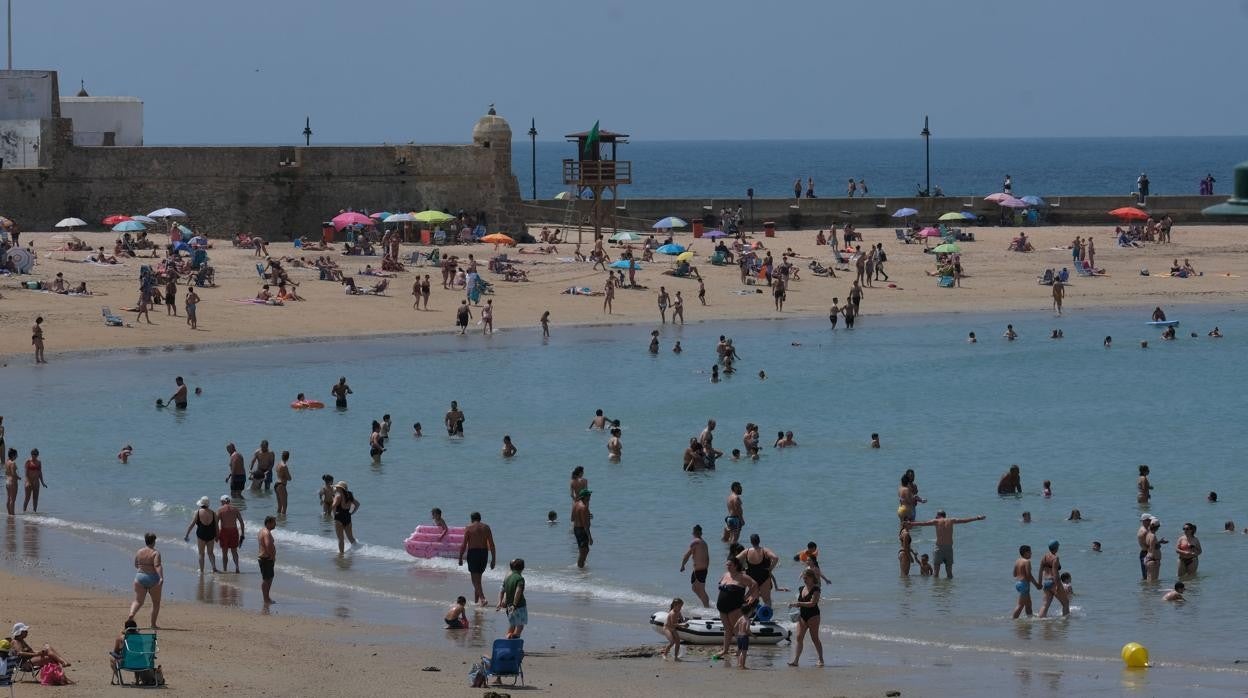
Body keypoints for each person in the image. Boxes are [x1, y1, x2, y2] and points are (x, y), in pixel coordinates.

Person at [905, 510, 987, 578]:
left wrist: (911, 523)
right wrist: (977, 518)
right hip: (949, 549)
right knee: (949, 573)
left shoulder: (936, 521)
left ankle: (937, 593)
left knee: (936, 574)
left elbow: (923, 523)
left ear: (938, 516)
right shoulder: (951, 520)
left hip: (939, 548)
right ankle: (949, 594)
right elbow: (964, 521)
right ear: (945, 515)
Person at [715, 558, 758, 660]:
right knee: (727, 629)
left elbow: (754, 584)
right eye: (727, 565)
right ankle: (725, 650)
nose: (727, 566)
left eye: (729, 565)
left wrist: (747, 596)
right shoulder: (725, 575)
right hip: (722, 606)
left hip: (734, 607)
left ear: (735, 566)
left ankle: (740, 650)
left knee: (736, 629)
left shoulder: (742, 576)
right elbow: (720, 585)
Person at [787, 568, 824, 667]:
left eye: (806, 578)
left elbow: (813, 603)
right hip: (802, 615)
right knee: (799, 637)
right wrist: (794, 605)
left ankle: (821, 659)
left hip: (813, 616)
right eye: (803, 578)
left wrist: (798, 603)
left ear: (812, 578)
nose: (804, 580)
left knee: (814, 638)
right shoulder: (801, 588)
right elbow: (800, 602)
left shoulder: (816, 589)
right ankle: (796, 661)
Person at [459, 512, 496, 605]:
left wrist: (460, 557)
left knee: (474, 579)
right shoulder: (486, 527)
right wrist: (493, 559)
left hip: (473, 553)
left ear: (471, 519)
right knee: (478, 579)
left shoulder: (469, 528)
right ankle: (476, 602)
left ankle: (483, 599)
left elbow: (464, 545)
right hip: (484, 553)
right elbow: (491, 544)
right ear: (480, 518)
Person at [128, 532, 164, 628]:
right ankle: (153, 624)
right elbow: (157, 565)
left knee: (138, 601)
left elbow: (136, 564)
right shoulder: (155, 553)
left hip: (140, 577)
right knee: (156, 603)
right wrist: (161, 577)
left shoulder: (139, 551)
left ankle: (131, 614)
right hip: (153, 578)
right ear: (154, 541)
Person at [737, 534, 780, 607]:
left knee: (754, 598)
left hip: (752, 577)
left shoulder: (746, 551)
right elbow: (775, 558)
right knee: (766, 600)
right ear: (759, 541)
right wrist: (770, 568)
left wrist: (742, 569)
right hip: (763, 576)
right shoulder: (764, 550)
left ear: (751, 542)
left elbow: (735, 559)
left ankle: (749, 613)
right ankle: (766, 616)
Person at [183, 496, 220, 574]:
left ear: (201, 504)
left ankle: (202, 570)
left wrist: (187, 534)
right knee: (210, 553)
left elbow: (192, 524)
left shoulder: (198, 512)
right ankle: (214, 568)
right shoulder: (213, 513)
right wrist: (217, 536)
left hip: (201, 534)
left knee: (201, 553)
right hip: (211, 534)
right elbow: (217, 526)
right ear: (208, 504)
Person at [680, 525, 711, 607]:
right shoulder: (704, 542)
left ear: (694, 532)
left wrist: (683, 565)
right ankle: (706, 604)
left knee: (700, 590)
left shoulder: (695, 542)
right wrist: (706, 567)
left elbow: (687, 554)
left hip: (700, 570)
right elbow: (707, 557)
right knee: (695, 588)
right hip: (701, 569)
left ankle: (707, 606)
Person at [1038, 541, 1069, 617]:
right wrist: (1058, 585)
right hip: (1053, 582)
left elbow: (1040, 571)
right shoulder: (1055, 558)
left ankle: (1040, 620)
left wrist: (1039, 583)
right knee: (1066, 603)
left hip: (1046, 582)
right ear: (1056, 548)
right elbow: (1055, 573)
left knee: (1045, 605)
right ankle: (1065, 623)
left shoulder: (1044, 557)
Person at [498, 558, 527, 638]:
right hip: (518, 605)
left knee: (512, 624)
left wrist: (500, 602)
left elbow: (502, 590)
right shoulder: (520, 578)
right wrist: (514, 604)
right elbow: (518, 591)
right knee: (520, 626)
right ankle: (514, 640)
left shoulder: (508, 578)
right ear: (523, 568)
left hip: (509, 606)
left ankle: (507, 639)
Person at [217, 495, 245, 573]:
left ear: (223, 501)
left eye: (221, 502)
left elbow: (215, 523)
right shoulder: (235, 509)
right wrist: (242, 534)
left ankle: (225, 569)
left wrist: (216, 535)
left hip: (224, 532)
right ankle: (237, 567)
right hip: (234, 531)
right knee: (234, 551)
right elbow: (242, 523)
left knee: (224, 552)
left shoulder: (220, 510)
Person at [1011, 545, 1041, 618]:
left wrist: (1021, 573)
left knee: (1028, 604)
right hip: (1024, 584)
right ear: (1025, 553)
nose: (1031, 553)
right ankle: (1013, 620)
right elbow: (1029, 575)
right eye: (1030, 552)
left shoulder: (1017, 561)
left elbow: (1014, 574)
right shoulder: (1027, 562)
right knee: (1020, 605)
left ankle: (1030, 618)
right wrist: (1037, 584)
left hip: (1018, 583)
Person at [331, 481, 359, 554]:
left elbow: (333, 506)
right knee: (351, 538)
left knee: (341, 539)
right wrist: (352, 512)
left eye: (337, 487)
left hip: (339, 518)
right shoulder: (350, 496)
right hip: (348, 517)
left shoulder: (338, 496)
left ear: (340, 488)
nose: (336, 488)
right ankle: (358, 550)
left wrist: (334, 514)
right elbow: (357, 504)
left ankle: (341, 555)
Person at [571, 488, 593, 568]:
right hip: (582, 530)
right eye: (589, 495)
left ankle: (579, 569)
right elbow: (585, 524)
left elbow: (572, 518)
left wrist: (586, 516)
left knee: (582, 551)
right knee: (585, 551)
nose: (590, 497)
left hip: (576, 529)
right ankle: (580, 570)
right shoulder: (584, 507)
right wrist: (590, 537)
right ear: (585, 497)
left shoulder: (575, 504)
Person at [22, 448, 46, 513]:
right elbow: (26, 473)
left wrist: (43, 482)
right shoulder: (28, 461)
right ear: (31, 454)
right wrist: (28, 482)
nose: (34, 456)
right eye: (33, 454)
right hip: (29, 482)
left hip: (36, 482)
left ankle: (34, 512)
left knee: (35, 498)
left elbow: (40, 473)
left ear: (38, 455)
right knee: (27, 498)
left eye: (36, 454)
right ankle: (24, 511)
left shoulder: (39, 462)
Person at [275, 450, 292, 516]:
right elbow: (289, 478)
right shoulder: (284, 466)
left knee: (279, 506)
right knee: (284, 507)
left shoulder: (278, 464)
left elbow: (277, 471)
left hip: (276, 484)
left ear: (282, 456)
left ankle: (277, 521)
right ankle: (282, 523)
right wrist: (286, 476)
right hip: (282, 485)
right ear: (288, 458)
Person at [4, 447, 18, 516]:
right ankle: (12, 514)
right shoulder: (13, 463)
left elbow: (6, 472)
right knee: (13, 499)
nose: (17, 456)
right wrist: (18, 477)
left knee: (8, 498)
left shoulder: (6, 462)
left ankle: (9, 514)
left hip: (7, 481)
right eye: (16, 455)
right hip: (13, 482)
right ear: (13, 455)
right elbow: (13, 473)